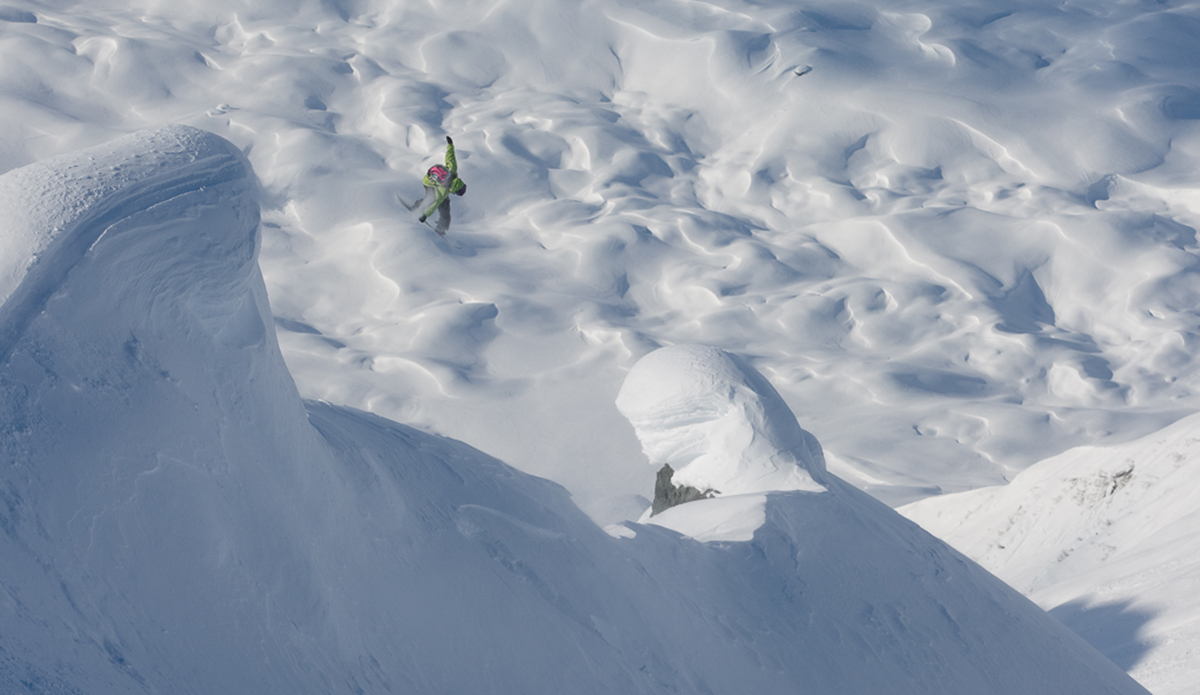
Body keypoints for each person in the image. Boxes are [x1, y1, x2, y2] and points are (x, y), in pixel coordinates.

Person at [402, 136, 467, 235]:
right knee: (434, 200)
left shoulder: (453, 171)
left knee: (437, 201)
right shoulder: (444, 191)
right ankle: (441, 229)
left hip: (429, 179)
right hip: (430, 183)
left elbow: (450, 158)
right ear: (455, 190)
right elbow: (434, 204)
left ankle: (417, 207)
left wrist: (450, 145)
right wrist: (424, 215)